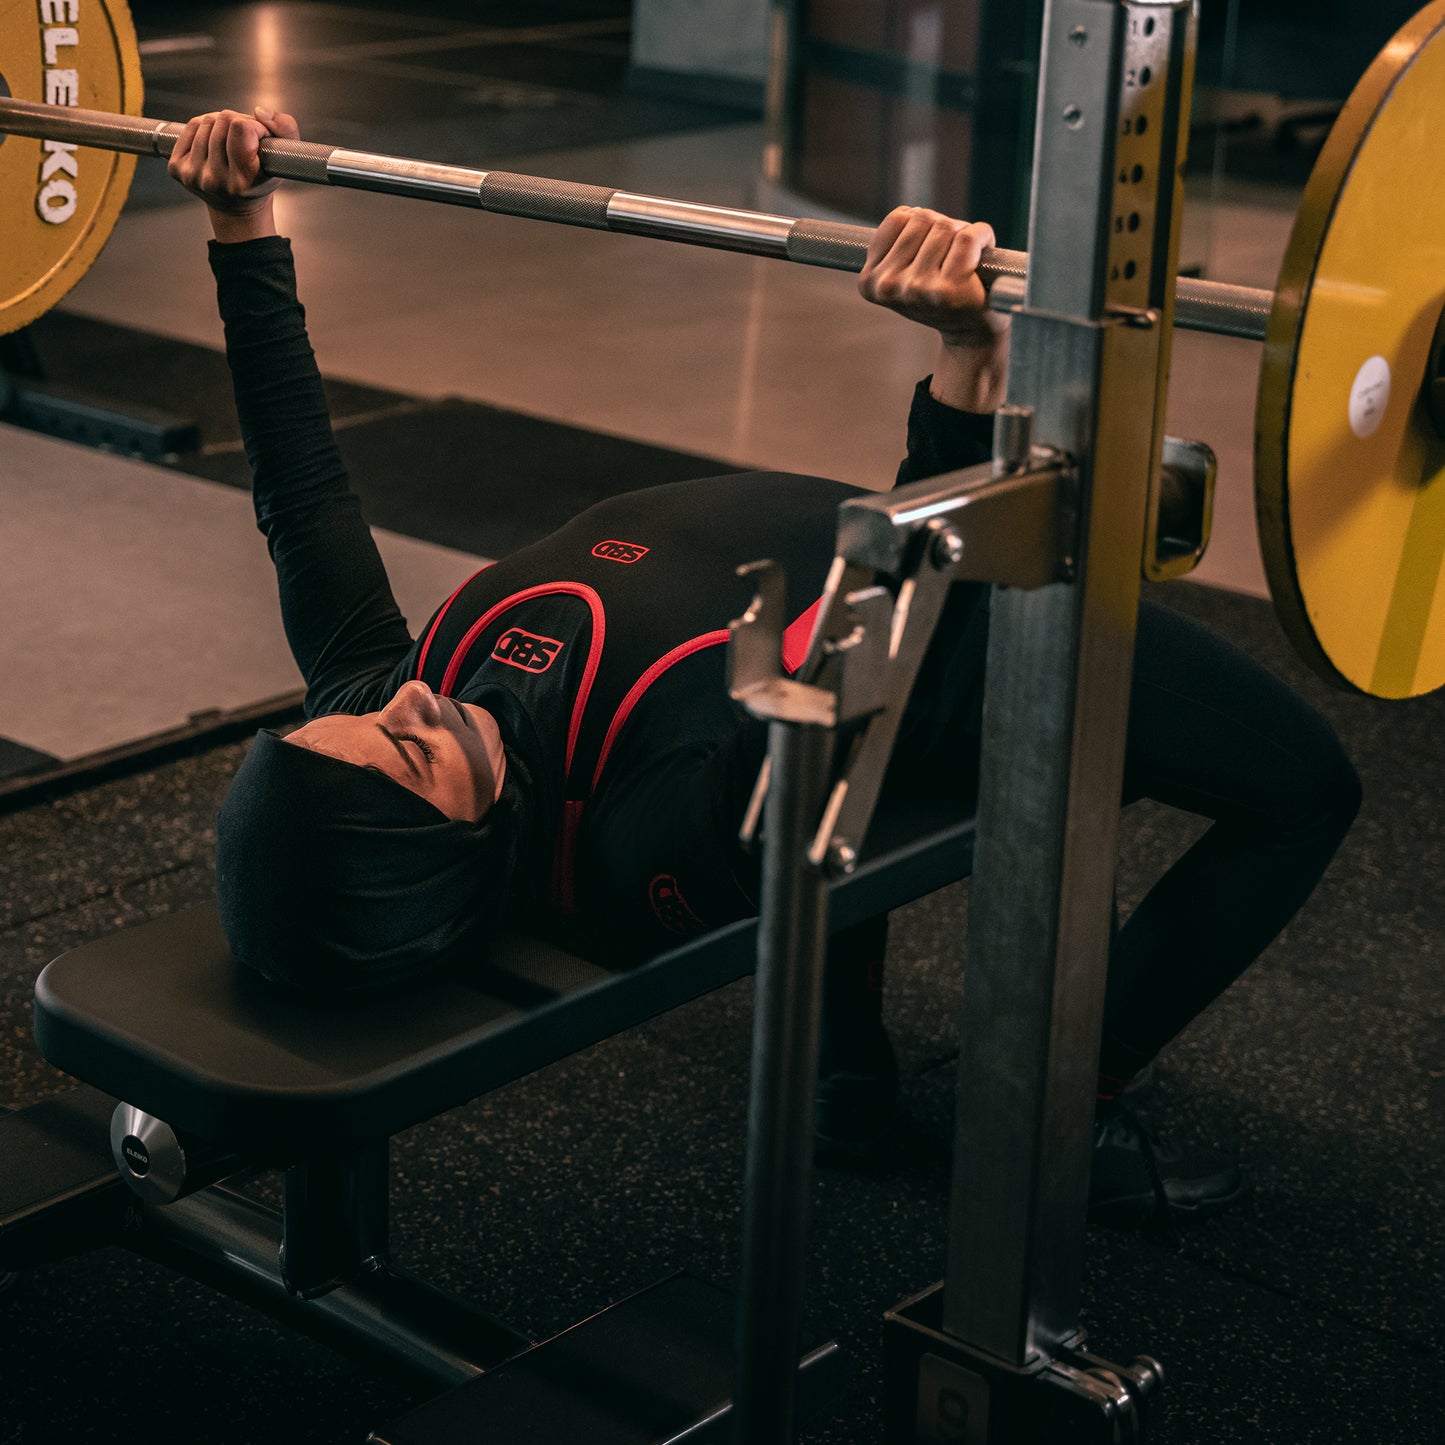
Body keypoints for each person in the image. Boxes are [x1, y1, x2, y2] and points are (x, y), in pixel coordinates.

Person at [170, 107, 1361, 1226]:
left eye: (363, 716)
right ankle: (1071, 1115)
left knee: (788, 771)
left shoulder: (373, 708)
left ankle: (845, 1082)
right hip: (943, 636)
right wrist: (965, 352)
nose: (411, 695)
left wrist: (238, 224)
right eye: (411, 747)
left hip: (832, 651)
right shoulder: (645, 823)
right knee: (1305, 787)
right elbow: (884, 631)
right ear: (447, 850)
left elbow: (300, 493)